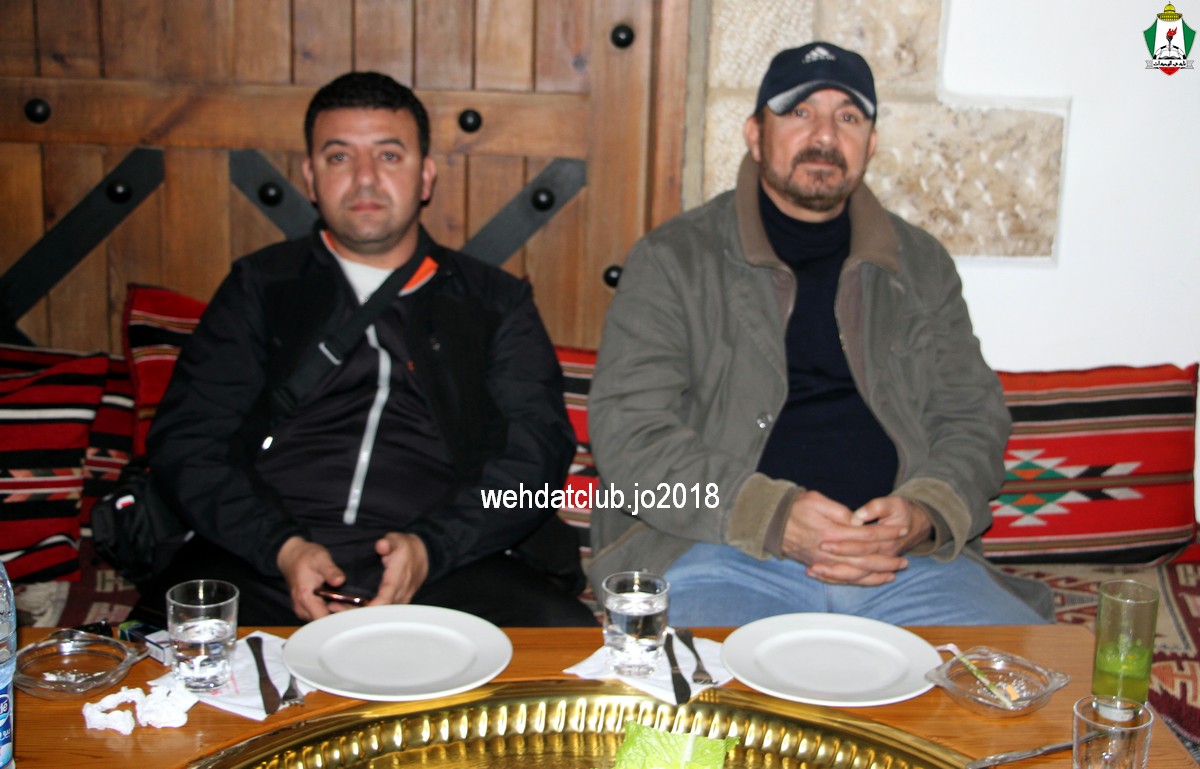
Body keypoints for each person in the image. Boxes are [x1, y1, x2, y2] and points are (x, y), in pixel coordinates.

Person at [586, 42, 1052, 626]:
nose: (825, 135)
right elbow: (629, 432)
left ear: (870, 144)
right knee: (691, 684)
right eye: (800, 112)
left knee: (1015, 678)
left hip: (904, 567)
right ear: (756, 135)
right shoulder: (674, 259)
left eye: (848, 117)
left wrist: (924, 512)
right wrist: (770, 515)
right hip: (719, 553)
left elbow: (973, 418)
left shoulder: (920, 265)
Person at [138, 71, 596, 627]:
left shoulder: (495, 303)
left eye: (389, 156)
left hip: (445, 562)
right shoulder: (261, 287)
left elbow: (536, 451)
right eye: (339, 157)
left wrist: (431, 548)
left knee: (567, 641)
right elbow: (189, 440)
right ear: (310, 178)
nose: (364, 179)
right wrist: (281, 547)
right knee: (155, 645)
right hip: (263, 560)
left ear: (425, 176)